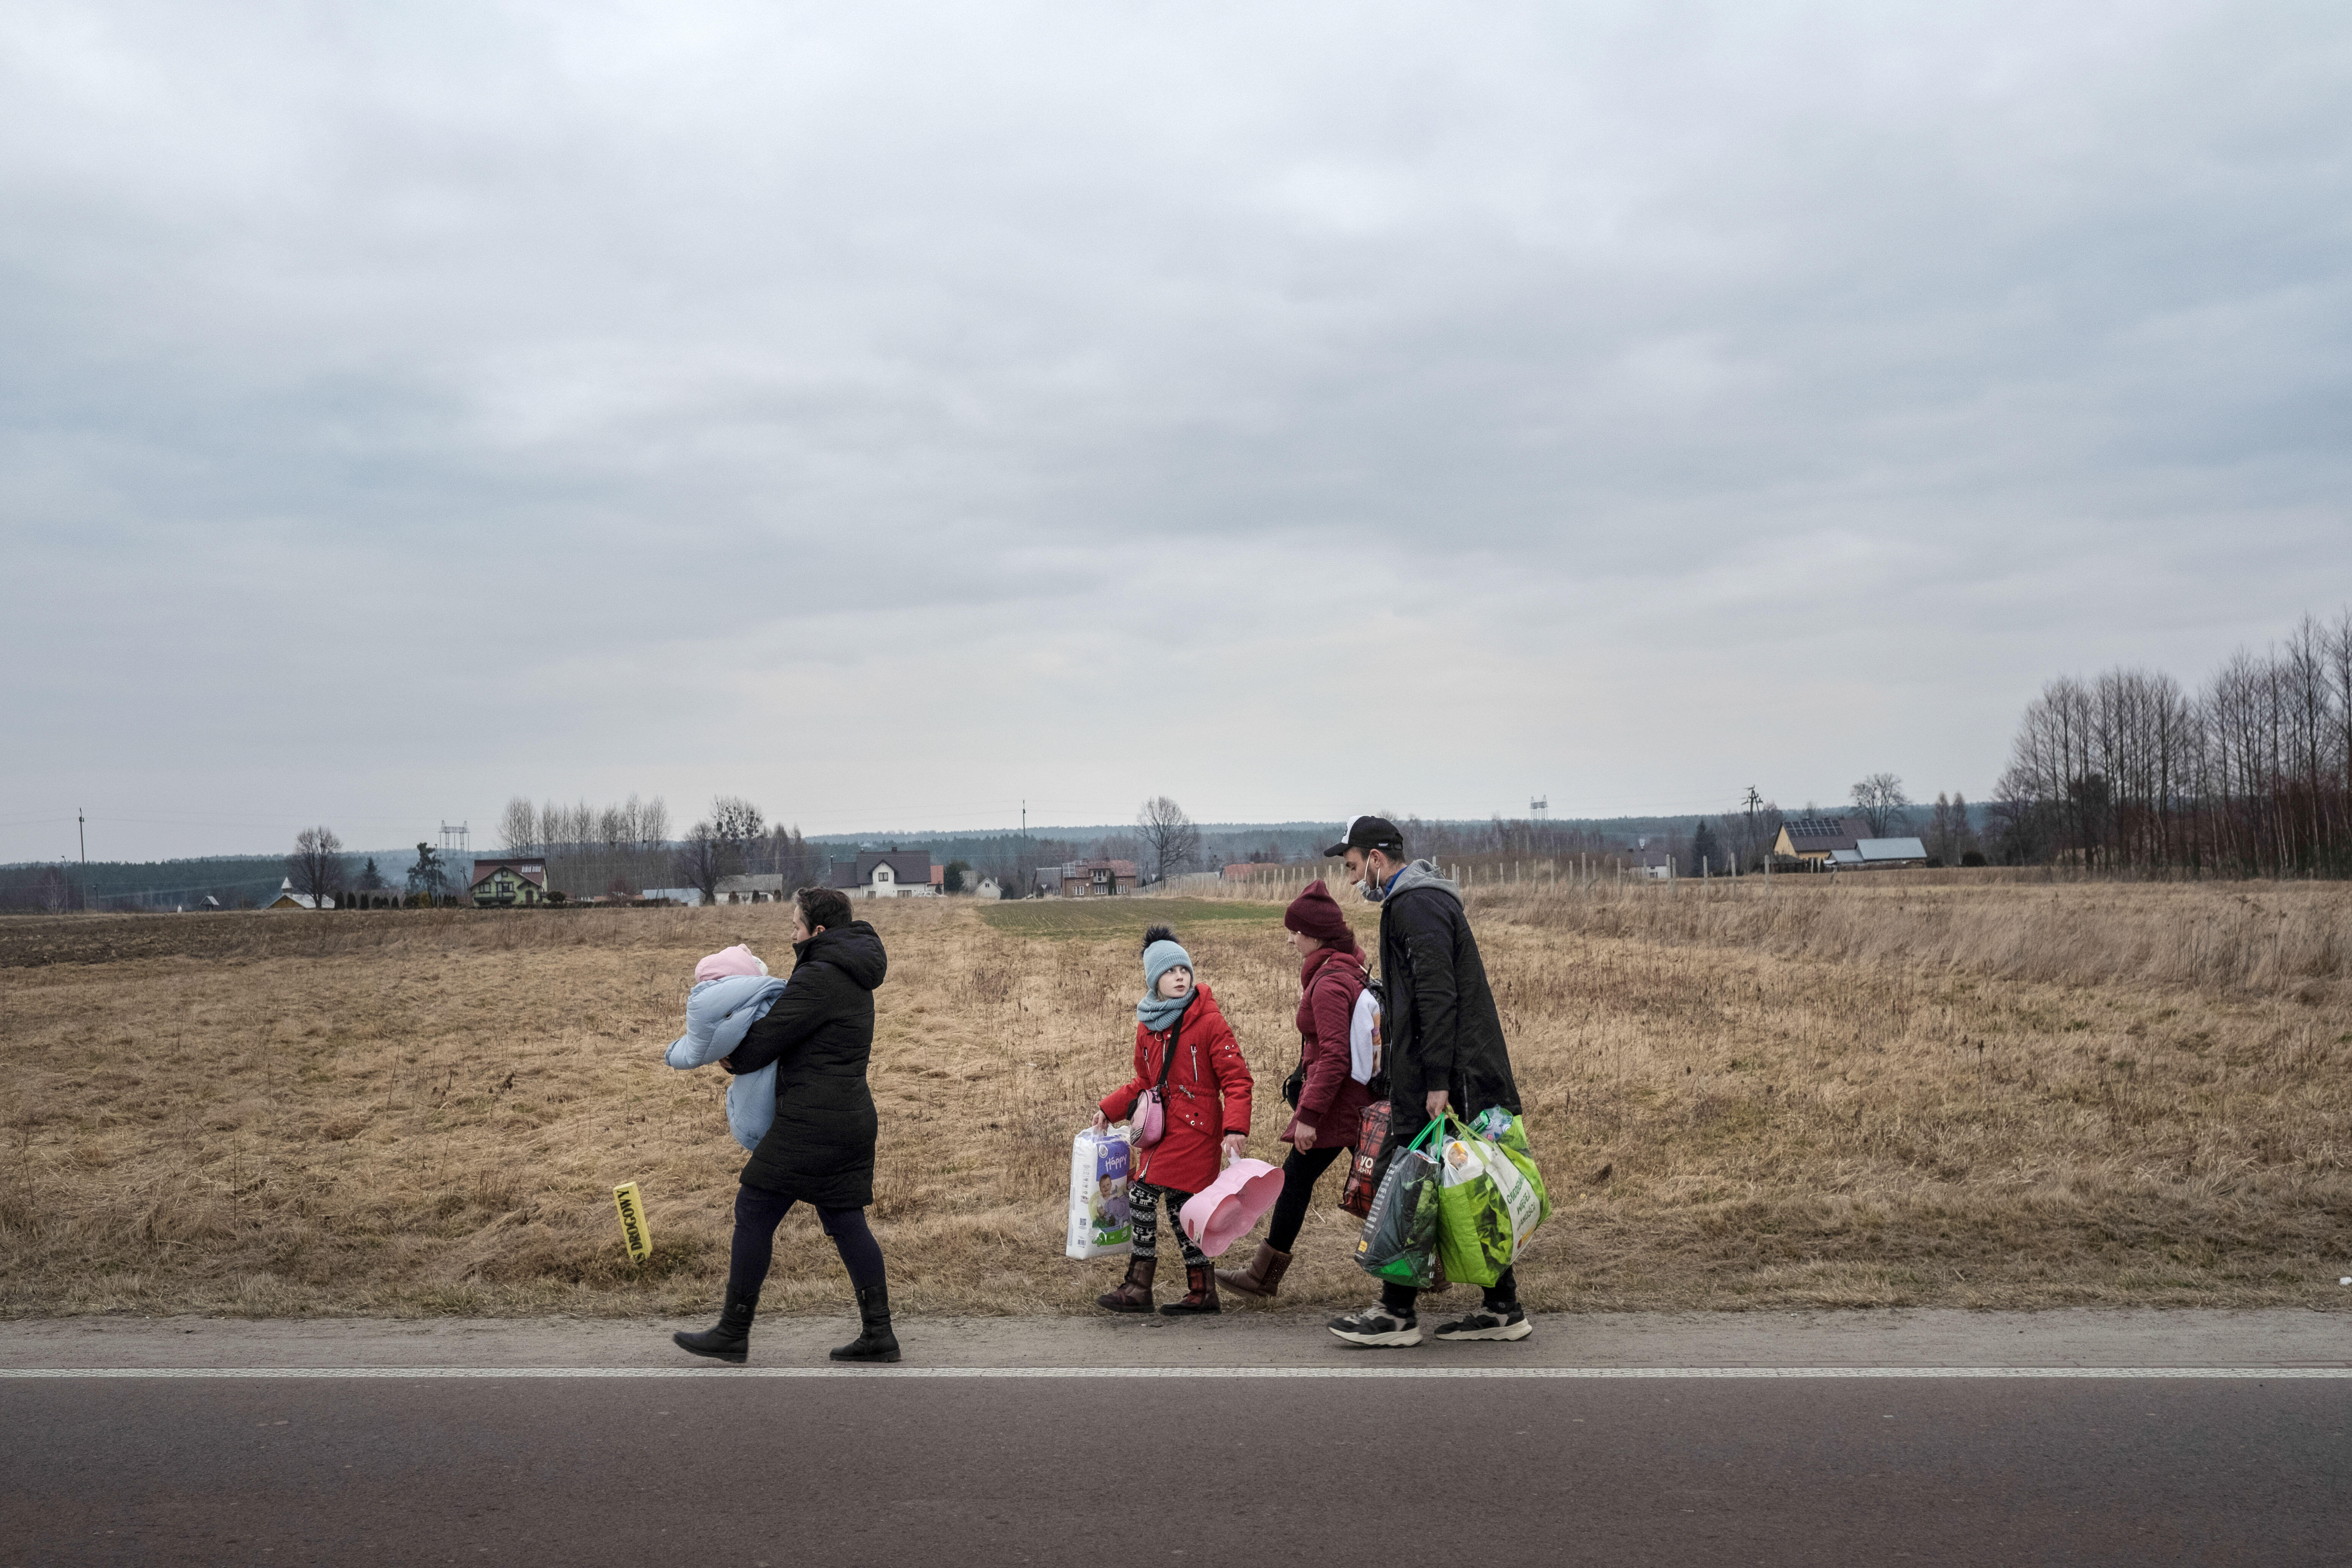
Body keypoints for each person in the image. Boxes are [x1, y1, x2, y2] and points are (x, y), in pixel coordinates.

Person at [1321, 816, 1531, 1348]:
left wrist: (1436, 1079)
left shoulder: (1415, 904)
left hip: (1451, 1077)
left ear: (1375, 858)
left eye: (1351, 867)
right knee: (1462, 1187)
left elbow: (1438, 995)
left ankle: (1395, 1313)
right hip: (1450, 1070)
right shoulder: (1419, 901)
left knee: (1410, 1182)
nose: (1351, 881)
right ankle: (1502, 1305)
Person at [671, 886, 900, 1365]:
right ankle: (879, 1333)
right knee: (844, 1219)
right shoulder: (851, 971)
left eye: (795, 925)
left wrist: (728, 1056)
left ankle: (733, 1331)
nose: (790, 933)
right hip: (849, 1115)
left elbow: (768, 1038)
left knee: (754, 1207)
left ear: (818, 931)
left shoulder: (820, 975)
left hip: (813, 1120)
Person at [1217, 878, 1372, 1302]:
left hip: (1339, 1106)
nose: (1290, 940)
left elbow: (1336, 1057)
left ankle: (1262, 1277)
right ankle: (1431, 1268)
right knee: (1376, 1186)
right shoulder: (1349, 966)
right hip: (1356, 1101)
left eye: (1295, 932)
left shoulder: (1328, 983)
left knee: (1309, 1181)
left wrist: (1308, 1116)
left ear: (1314, 934)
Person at [1091, 924, 1253, 1316]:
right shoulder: (1148, 1026)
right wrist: (1108, 1107)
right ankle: (1202, 1290)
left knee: (1142, 1193)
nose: (1180, 977)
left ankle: (1138, 1285)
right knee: (1183, 1209)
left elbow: (1237, 1078)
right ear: (1153, 981)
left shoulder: (1210, 1021)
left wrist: (1235, 1127)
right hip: (1161, 1129)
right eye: (1169, 972)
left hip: (1197, 1130)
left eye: (1184, 970)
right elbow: (1143, 1082)